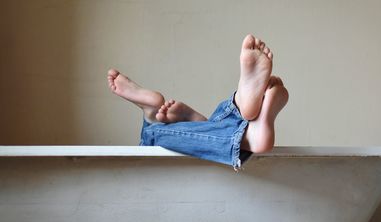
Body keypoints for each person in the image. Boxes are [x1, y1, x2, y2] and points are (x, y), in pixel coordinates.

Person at [107, 34, 289, 170]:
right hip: (227, 131)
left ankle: (156, 117)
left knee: (150, 137)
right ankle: (235, 114)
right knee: (151, 135)